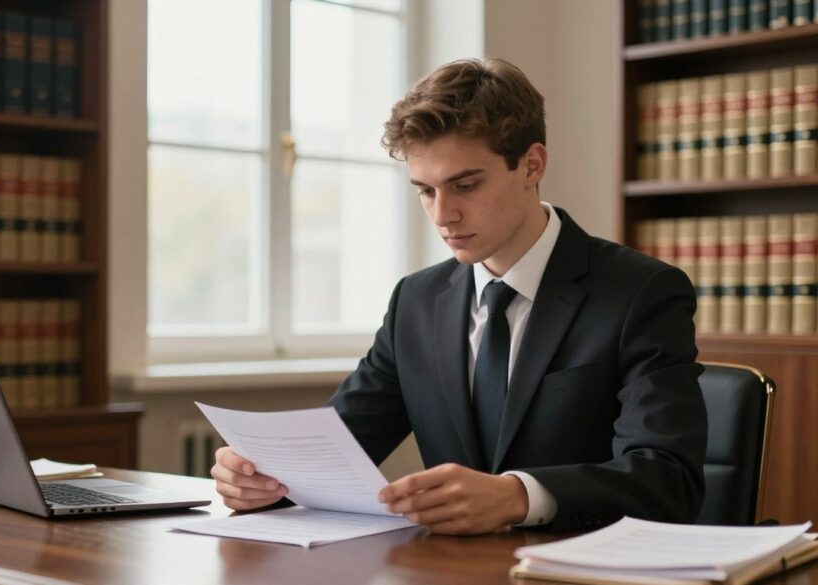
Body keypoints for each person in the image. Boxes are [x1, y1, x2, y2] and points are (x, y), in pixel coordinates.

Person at [211, 58, 707, 535]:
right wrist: (261, 478)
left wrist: (518, 497)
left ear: (531, 164)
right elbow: (333, 455)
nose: (443, 215)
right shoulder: (416, 300)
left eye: (464, 185)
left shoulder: (641, 293)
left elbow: (667, 479)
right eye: (425, 191)